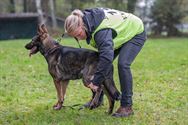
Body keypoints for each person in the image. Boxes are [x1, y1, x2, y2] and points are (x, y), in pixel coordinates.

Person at [64, 8, 147, 117]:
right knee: (98, 64)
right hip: (120, 33)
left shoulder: (100, 32)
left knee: (123, 64)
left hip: (134, 31)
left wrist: (96, 81)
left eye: (78, 34)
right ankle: (97, 100)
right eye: (75, 37)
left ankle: (127, 106)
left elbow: (107, 58)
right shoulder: (87, 21)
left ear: (82, 25)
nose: (79, 39)